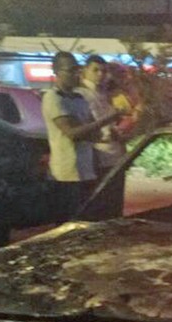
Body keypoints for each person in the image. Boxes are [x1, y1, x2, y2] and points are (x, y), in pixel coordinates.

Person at [42, 51, 123, 221]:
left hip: (87, 171)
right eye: (70, 70)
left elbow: (93, 134)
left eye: (76, 69)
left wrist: (93, 129)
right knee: (67, 226)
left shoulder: (79, 98)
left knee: (88, 222)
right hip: (66, 174)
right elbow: (73, 133)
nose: (75, 74)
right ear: (56, 72)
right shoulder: (53, 98)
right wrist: (106, 120)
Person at [76, 54, 128, 218]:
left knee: (114, 204)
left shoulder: (104, 93)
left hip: (115, 154)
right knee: (102, 204)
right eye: (95, 70)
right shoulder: (81, 94)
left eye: (103, 71)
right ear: (85, 70)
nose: (100, 74)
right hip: (99, 156)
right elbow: (87, 126)